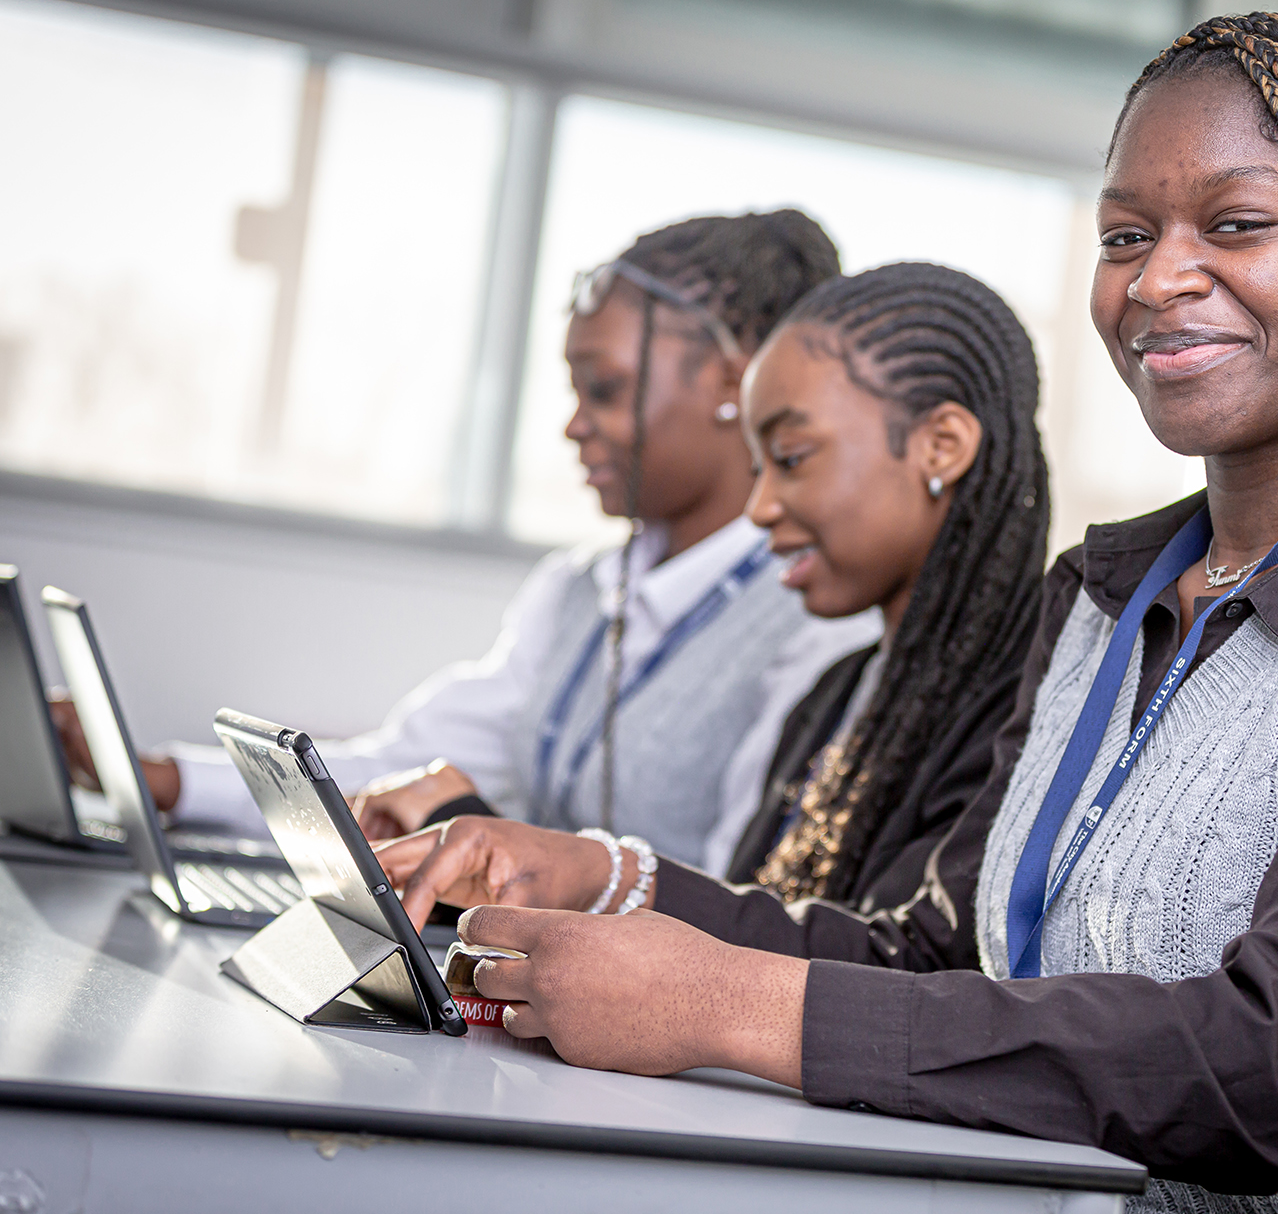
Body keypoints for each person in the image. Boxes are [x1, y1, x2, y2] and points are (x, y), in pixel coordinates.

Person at [386, 15, 1278, 1214]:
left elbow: (1277, 1064)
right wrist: (610, 880)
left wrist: (735, 1005)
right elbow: (945, 956)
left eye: (1237, 223)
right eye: (1123, 236)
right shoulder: (1111, 595)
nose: (1160, 278)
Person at [56, 211, 877, 872]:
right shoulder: (580, 592)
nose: (574, 423)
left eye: (605, 388)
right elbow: (402, 766)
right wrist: (154, 777)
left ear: (736, 383)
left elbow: (747, 892)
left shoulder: (815, 619)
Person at [376, 261, 1051, 922]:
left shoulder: (1026, 709)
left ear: (941, 445)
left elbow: (896, 974)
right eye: (759, 470)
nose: (759, 508)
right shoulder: (841, 694)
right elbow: (750, 922)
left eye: (790, 460)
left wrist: (591, 875)